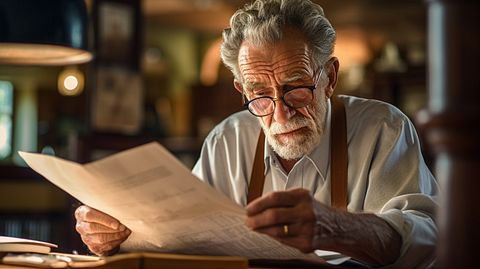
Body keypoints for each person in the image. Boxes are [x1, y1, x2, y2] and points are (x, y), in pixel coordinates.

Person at [75, 0, 438, 267]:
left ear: (329, 76)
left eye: (297, 88)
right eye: (260, 95)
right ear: (242, 89)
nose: (280, 111)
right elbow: (182, 238)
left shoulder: (382, 127)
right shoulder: (226, 140)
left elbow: (426, 239)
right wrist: (116, 234)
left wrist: (335, 227)